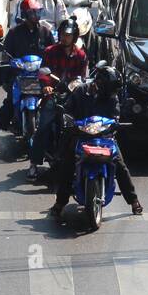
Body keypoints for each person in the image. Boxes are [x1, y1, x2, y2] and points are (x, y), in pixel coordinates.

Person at [48, 63, 142, 218]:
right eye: (111, 88)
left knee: (120, 166)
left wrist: (116, 124)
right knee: (67, 165)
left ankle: (134, 201)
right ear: (99, 83)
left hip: (104, 138)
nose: (113, 92)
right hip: (80, 136)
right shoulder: (80, 91)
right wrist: (68, 120)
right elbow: (68, 109)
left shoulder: (112, 97)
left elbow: (115, 116)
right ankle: (60, 203)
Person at [0, 0, 52, 152]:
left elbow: (52, 52)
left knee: (52, 104)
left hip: (40, 77)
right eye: (32, 13)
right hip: (18, 76)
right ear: (25, 14)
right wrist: (7, 73)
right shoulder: (14, 33)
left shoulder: (45, 32)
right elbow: (6, 55)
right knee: (9, 103)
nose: (36, 16)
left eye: (37, 12)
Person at [30, 17, 88, 180]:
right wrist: (46, 86)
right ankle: (34, 164)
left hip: (72, 97)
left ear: (74, 36)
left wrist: (78, 88)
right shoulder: (50, 51)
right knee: (42, 128)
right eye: (63, 34)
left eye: (68, 35)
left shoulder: (81, 56)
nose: (65, 38)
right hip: (53, 94)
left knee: (83, 127)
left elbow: (82, 78)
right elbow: (43, 72)